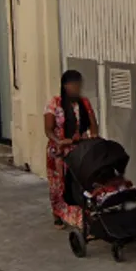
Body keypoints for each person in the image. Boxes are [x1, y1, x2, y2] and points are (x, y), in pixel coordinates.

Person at [44, 70, 98, 230]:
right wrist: (59, 141)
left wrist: (89, 137)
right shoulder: (54, 103)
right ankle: (58, 215)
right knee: (58, 185)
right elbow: (48, 129)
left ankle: (79, 217)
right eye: (73, 85)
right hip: (58, 152)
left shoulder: (84, 103)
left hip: (78, 149)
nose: (76, 88)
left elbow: (93, 125)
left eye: (78, 85)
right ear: (65, 86)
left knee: (79, 183)